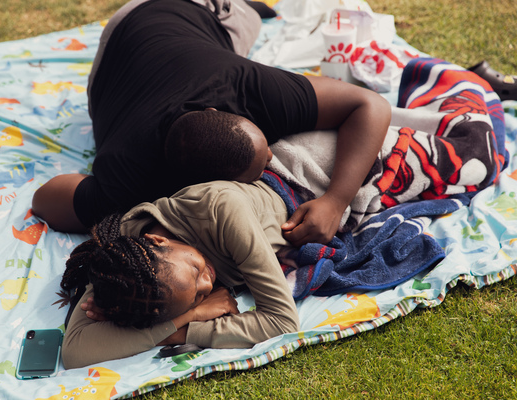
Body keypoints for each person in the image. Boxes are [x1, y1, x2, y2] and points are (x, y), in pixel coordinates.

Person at [31, 0, 392, 247]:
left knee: (244, 20)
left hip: (181, 15)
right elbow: (44, 200)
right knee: (243, 22)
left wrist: (336, 200)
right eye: (262, 164)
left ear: (218, 112)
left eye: (263, 149)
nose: (271, 157)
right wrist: (116, 208)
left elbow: (369, 104)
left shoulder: (246, 85)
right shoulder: (131, 177)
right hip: (116, 58)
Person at [61, 178, 299, 369]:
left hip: (296, 184)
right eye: (197, 297)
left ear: (158, 240)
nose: (208, 285)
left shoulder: (224, 212)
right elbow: (75, 351)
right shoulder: (124, 269)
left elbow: (283, 321)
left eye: (196, 271)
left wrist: (174, 333)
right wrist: (189, 318)